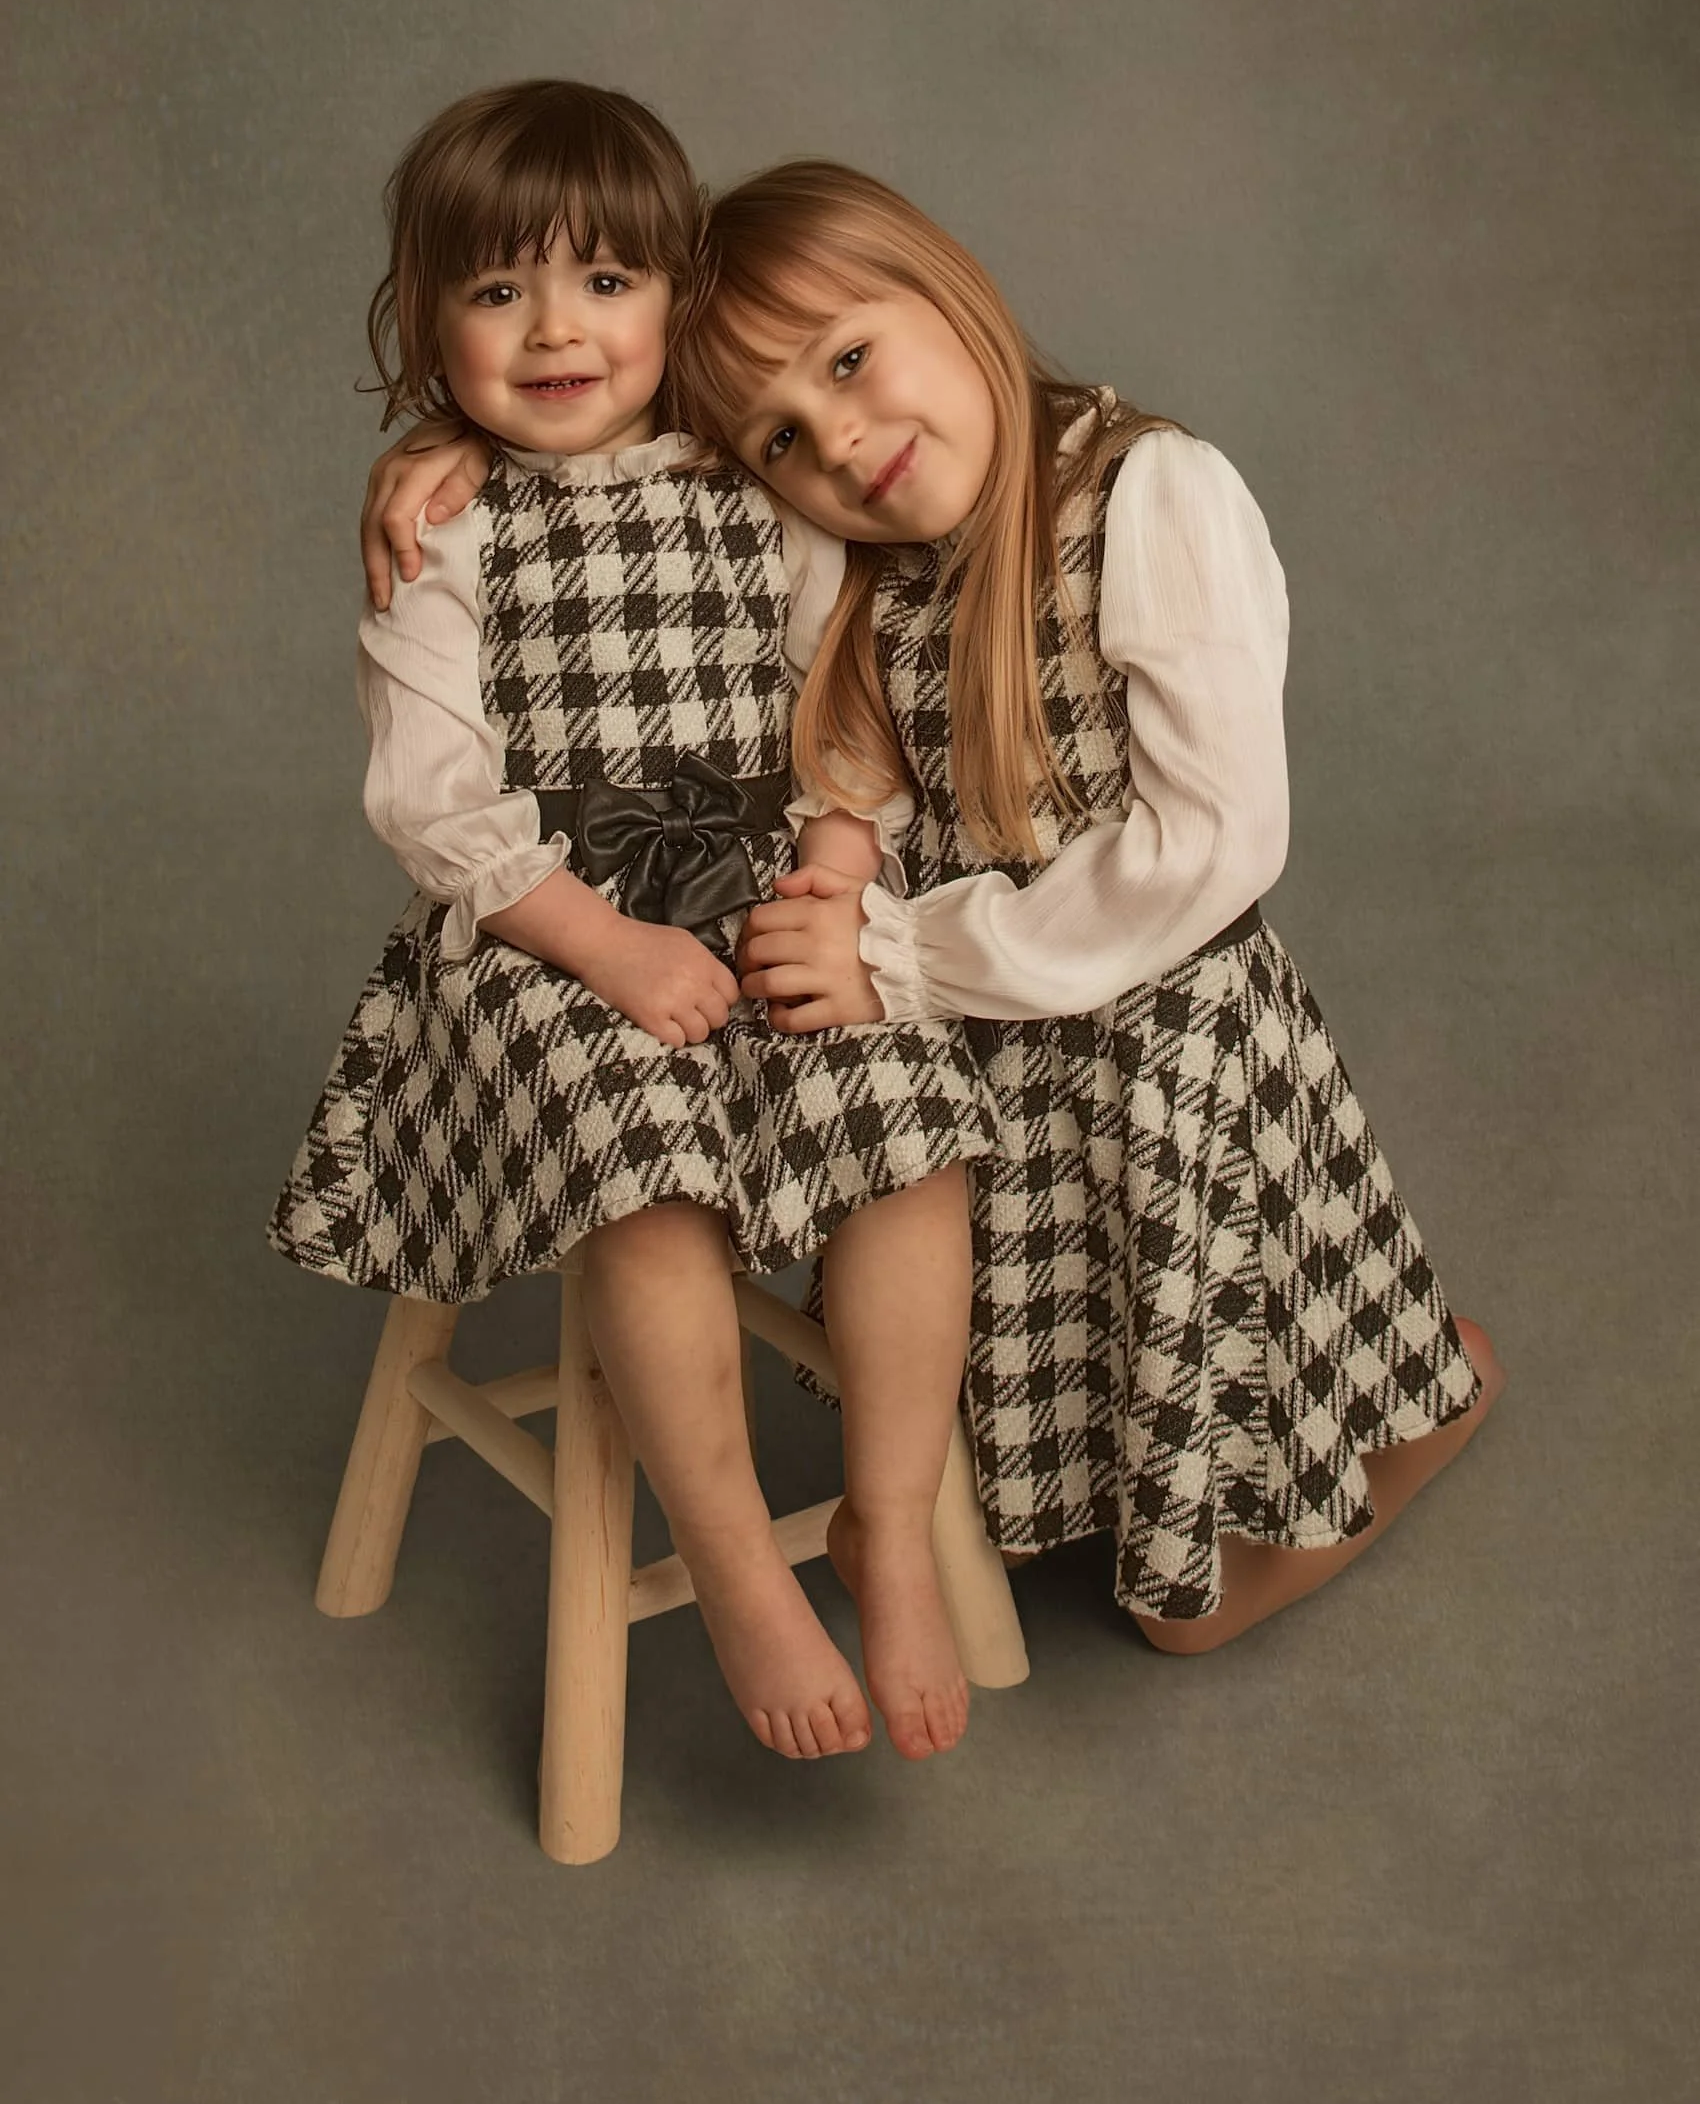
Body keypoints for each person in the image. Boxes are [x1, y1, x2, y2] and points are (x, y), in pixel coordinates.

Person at [363, 155, 1506, 1657]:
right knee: (1018, 1378)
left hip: (1153, 1048)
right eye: (785, 434)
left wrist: (898, 950)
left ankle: (1432, 1392)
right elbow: (614, 447)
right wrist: (450, 436)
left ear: (940, 281)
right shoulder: (870, 551)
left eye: (852, 360)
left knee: (1178, 1600)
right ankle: (1122, 1459)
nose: (843, 439)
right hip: (995, 1053)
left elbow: (1216, 837)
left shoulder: (1149, 492)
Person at [274, 92, 1001, 1760]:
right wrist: (603, 945)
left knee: (905, 1120)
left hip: (754, 891)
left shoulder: (758, 485)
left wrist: (835, 857)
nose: (556, 330)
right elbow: (431, 798)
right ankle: (739, 1557)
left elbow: (842, 705)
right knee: (644, 1164)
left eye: (605, 281)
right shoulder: (447, 530)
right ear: (427, 317)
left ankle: (885, 1512)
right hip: (543, 927)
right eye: (497, 293)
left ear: (676, 293)